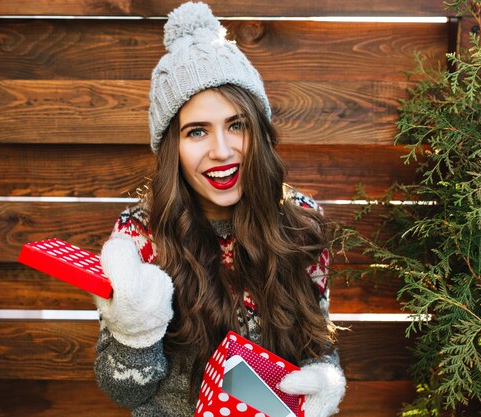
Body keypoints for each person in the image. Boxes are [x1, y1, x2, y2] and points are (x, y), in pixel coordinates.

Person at [93, 2, 346, 416]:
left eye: (236, 125)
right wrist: (133, 332)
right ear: (172, 146)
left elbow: (319, 344)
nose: (222, 152)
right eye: (197, 132)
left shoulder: (299, 221)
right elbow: (125, 392)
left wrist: (324, 381)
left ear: (257, 129)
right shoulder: (139, 236)